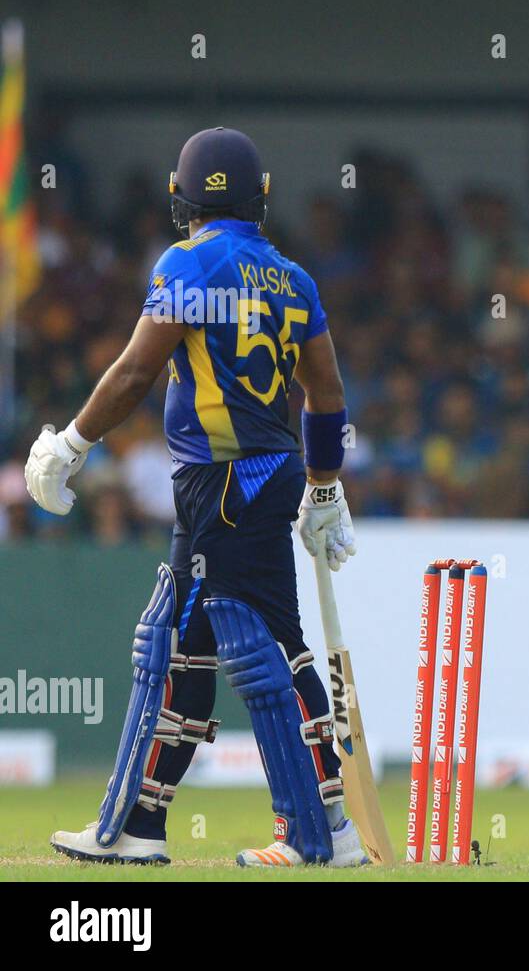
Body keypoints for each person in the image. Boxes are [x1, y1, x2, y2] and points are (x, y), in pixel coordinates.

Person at [25, 127, 365, 866]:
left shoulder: (186, 262)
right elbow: (327, 392)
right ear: (261, 196)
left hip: (226, 481)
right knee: (177, 647)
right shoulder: (293, 279)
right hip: (247, 476)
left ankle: (324, 832)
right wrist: (326, 486)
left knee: (268, 644)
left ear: (180, 198)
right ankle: (139, 823)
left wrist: (71, 442)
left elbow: (135, 372)